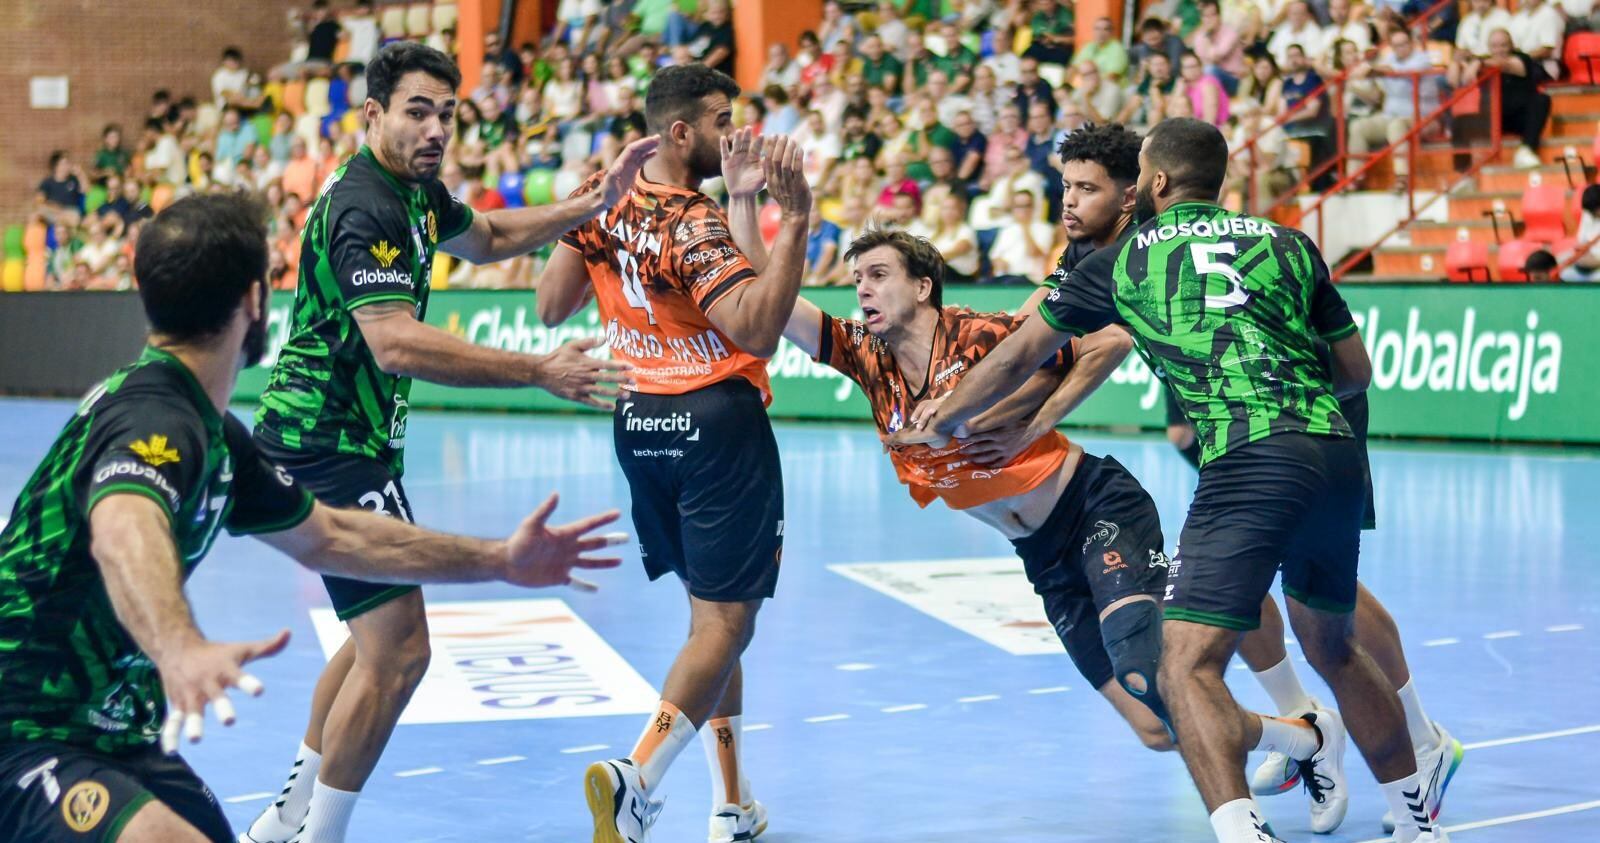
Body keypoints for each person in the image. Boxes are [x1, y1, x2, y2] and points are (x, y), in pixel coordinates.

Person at [0, 193, 626, 843]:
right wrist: (178, 645)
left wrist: (499, 559)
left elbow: (333, 534)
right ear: (255, 298)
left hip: (114, 731)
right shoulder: (155, 419)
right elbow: (124, 525)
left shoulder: (213, 432)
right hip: (23, 732)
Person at [897, 118, 1451, 843]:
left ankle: (1243, 828)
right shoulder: (1287, 241)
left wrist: (942, 416)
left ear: (1151, 185)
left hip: (1249, 456)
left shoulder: (1124, 262)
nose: (1072, 199)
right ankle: (1419, 818)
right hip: (1335, 448)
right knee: (1334, 645)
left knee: (1184, 666)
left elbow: (1016, 356)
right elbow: (1356, 373)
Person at [239, 43, 655, 843]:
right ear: (372, 116)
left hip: (338, 441)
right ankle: (314, 835)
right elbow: (395, 342)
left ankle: (282, 817)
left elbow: (491, 234)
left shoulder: (416, 191)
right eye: (417, 111)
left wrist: (591, 203)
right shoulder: (368, 205)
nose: (435, 129)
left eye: (447, 114)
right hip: (330, 444)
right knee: (400, 653)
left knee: (373, 637)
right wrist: (539, 370)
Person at [534, 65, 812, 843]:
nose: (736, 131)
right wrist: (795, 224)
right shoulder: (694, 223)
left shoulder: (607, 198)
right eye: (723, 119)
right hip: (717, 424)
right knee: (726, 623)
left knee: (708, 622)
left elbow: (549, 304)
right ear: (681, 132)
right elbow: (756, 326)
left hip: (639, 424)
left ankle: (732, 802)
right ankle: (637, 776)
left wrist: (745, 197)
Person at [784, 226, 1188, 750]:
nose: (863, 289)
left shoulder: (976, 334)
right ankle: (1292, 738)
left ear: (923, 287)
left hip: (1093, 507)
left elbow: (1109, 342)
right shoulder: (866, 355)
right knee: (1155, 730)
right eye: (858, 278)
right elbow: (775, 306)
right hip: (1040, 554)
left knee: (1146, 675)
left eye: (879, 275)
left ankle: (1288, 747)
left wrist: (1033, 422)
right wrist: (762, 210)